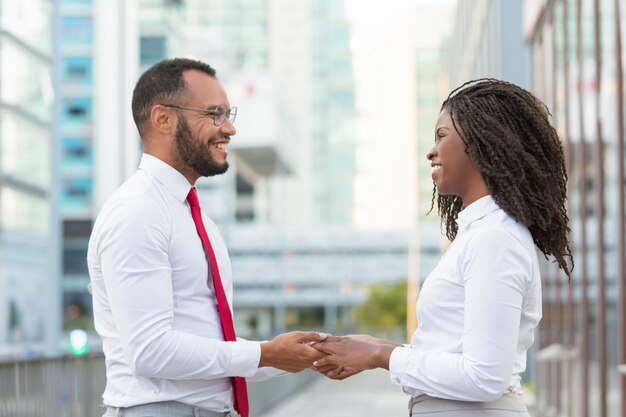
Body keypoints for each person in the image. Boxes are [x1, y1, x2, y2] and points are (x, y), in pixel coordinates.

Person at [311, 78, 573, 416]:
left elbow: (484, 377)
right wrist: (376, 347)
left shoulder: (494, 238)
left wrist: (381, 355)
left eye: (441, 135)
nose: (430, 151)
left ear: (481, 140)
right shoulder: (481, 234)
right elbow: (457, 356)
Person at [87, 58, 327, 417]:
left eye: (229, 114)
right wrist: (264, 353)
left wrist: (296, 355)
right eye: (215, 114)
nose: (229, 128)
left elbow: (208, 346)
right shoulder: (137, 211)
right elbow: (150, 351)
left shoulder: (193, 217)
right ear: (163, 118)